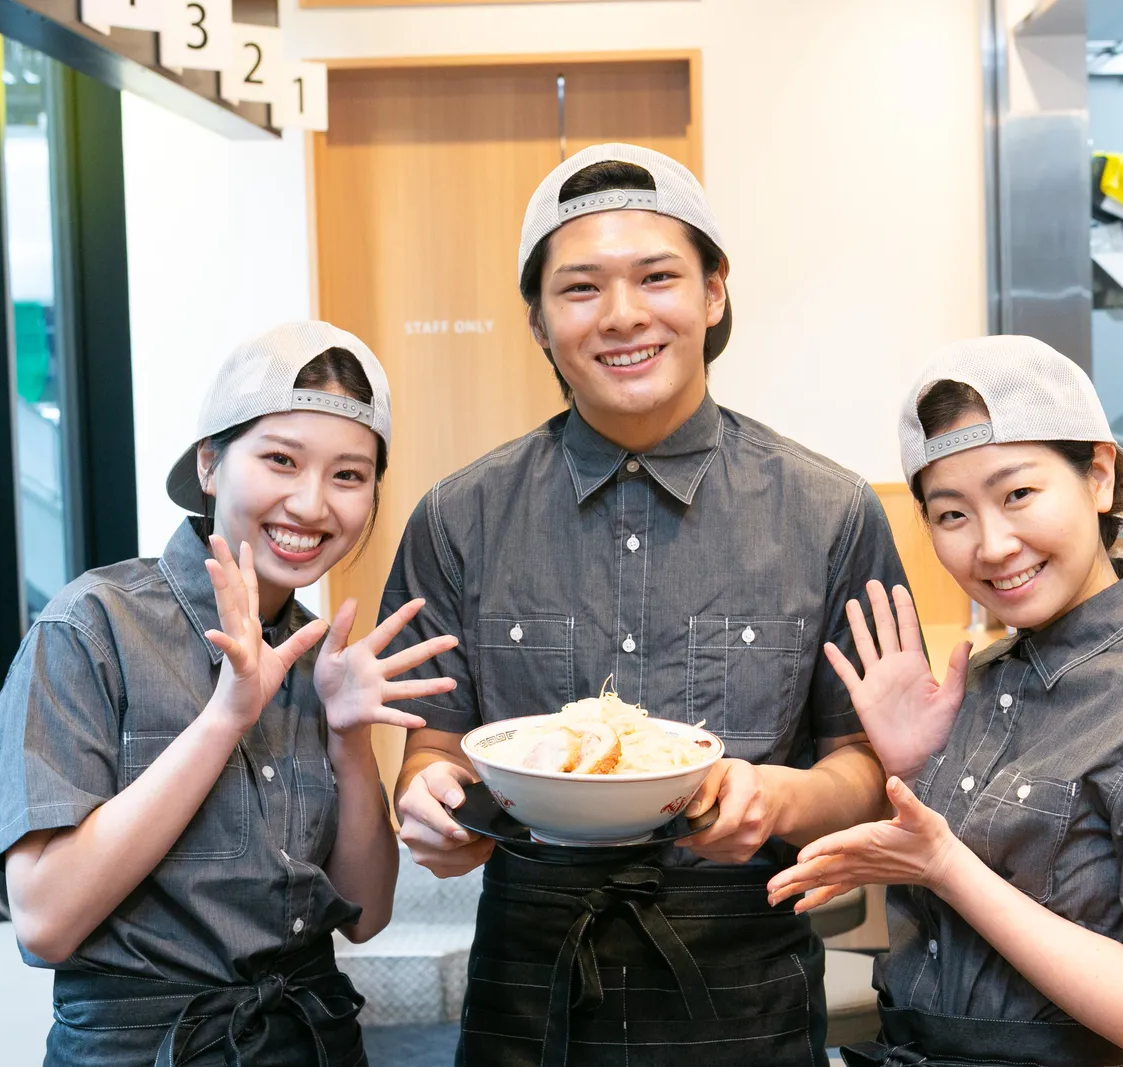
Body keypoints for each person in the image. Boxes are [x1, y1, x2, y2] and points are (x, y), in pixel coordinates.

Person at [382, 143, 909, 1066]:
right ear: (540, 325)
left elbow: (864, 765)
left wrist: (779, 797)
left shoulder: (831, 512)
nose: (623, 315)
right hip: (527, 981)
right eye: (580, 288)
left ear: (712, 294)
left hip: (746, 986)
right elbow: (433, 744)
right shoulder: (458, 516)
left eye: (657, 276)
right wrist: (430, 803)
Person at [768, 335, 1123, 1067]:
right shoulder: (981, 680)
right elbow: (934, 930)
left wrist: (945, 861)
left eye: (1018, 494)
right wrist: (905, 775)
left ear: (1098, 476)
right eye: (952, 515)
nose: (994, 544)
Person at [0, 322, 459, 1066]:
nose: (311, 504)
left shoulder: (320, 659)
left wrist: (348, 739)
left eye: (348, 475)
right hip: (146, 1048)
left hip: (311, 1040)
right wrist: (226, 715)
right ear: (209, 463)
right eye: (280, 459)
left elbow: (366, 915)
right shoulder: (91, 626)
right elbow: (44, 919)